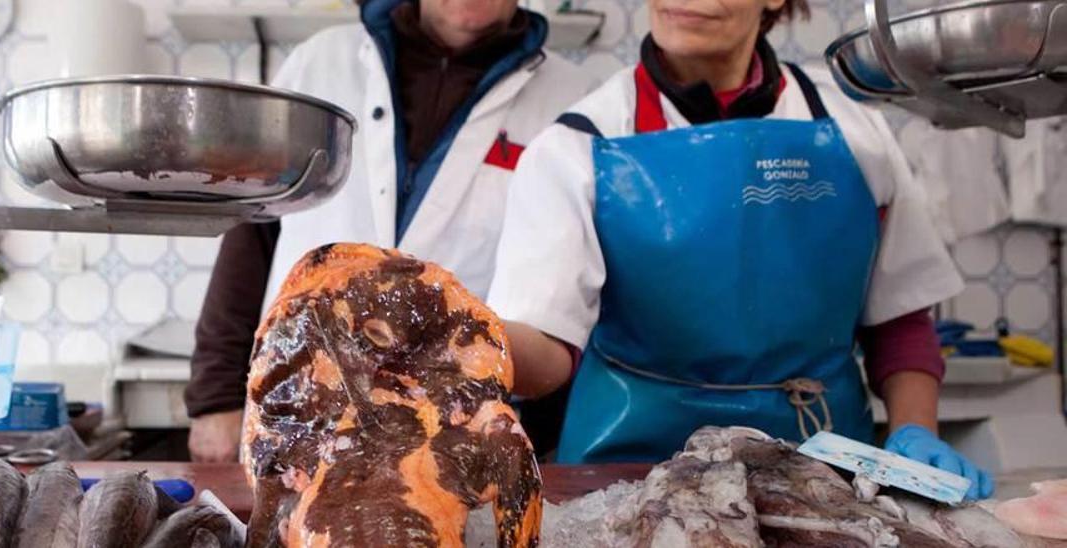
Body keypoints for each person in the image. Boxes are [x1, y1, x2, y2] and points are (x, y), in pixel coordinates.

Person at [487, 0, 995, 499]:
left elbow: (899, 321)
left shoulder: (856, 133)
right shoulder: (578, 145)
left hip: (824, 469)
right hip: (629, 473)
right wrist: (466, 338)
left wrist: (916, 432)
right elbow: (548, 346)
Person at [185, 0, 596, 463]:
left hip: (461, 436)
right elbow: (252, 227)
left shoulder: (572, 100)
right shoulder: (319, 63)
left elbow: (566, 305)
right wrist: (215, 398)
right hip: (299, 416)